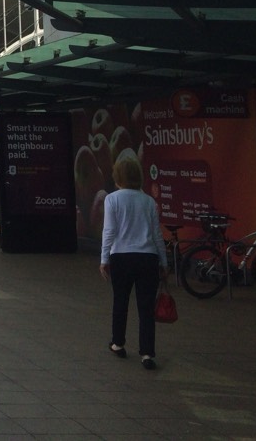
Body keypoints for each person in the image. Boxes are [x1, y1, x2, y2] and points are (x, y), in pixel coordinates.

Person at [99, 155, 166, 370]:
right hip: (148, 258)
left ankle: (118, 343)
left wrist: (104, 258)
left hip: (121, 257)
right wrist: (163, 262)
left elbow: (109, 231)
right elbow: (157, 234)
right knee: (146, 307)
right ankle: (147, 353)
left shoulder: (112, 199)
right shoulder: (148, 201)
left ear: (118, 176)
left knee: (121, 302)